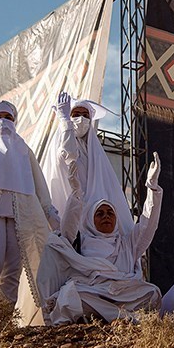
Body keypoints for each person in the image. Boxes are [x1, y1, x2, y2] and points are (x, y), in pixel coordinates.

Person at [35, 152, 164, 324]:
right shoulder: (81, 242)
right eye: (100, 213)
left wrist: (152, 189)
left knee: (152, 293)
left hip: (124, 292)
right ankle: (123, 317)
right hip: (92, 292)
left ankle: (111, 315)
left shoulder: (127, 244)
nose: (106, 216)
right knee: (70, 298)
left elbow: (147, 225)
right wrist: (76, 193)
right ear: (90, 220)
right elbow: (68, 228)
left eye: (110, 213)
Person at [0, 99, 60, 325]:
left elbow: (38, 182)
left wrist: (48, 209)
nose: (3, 122)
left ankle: (2, 324)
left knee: (13, 270)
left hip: (21, 213)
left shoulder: (23, 148)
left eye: (8, 118)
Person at [42, 91, 132, 242]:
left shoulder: (95, 152)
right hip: (68, 212)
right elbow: (69, 155)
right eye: (76, 114)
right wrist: (65, 123)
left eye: (85, 115)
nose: (81, 119)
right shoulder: (61, 141)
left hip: (94, 219)